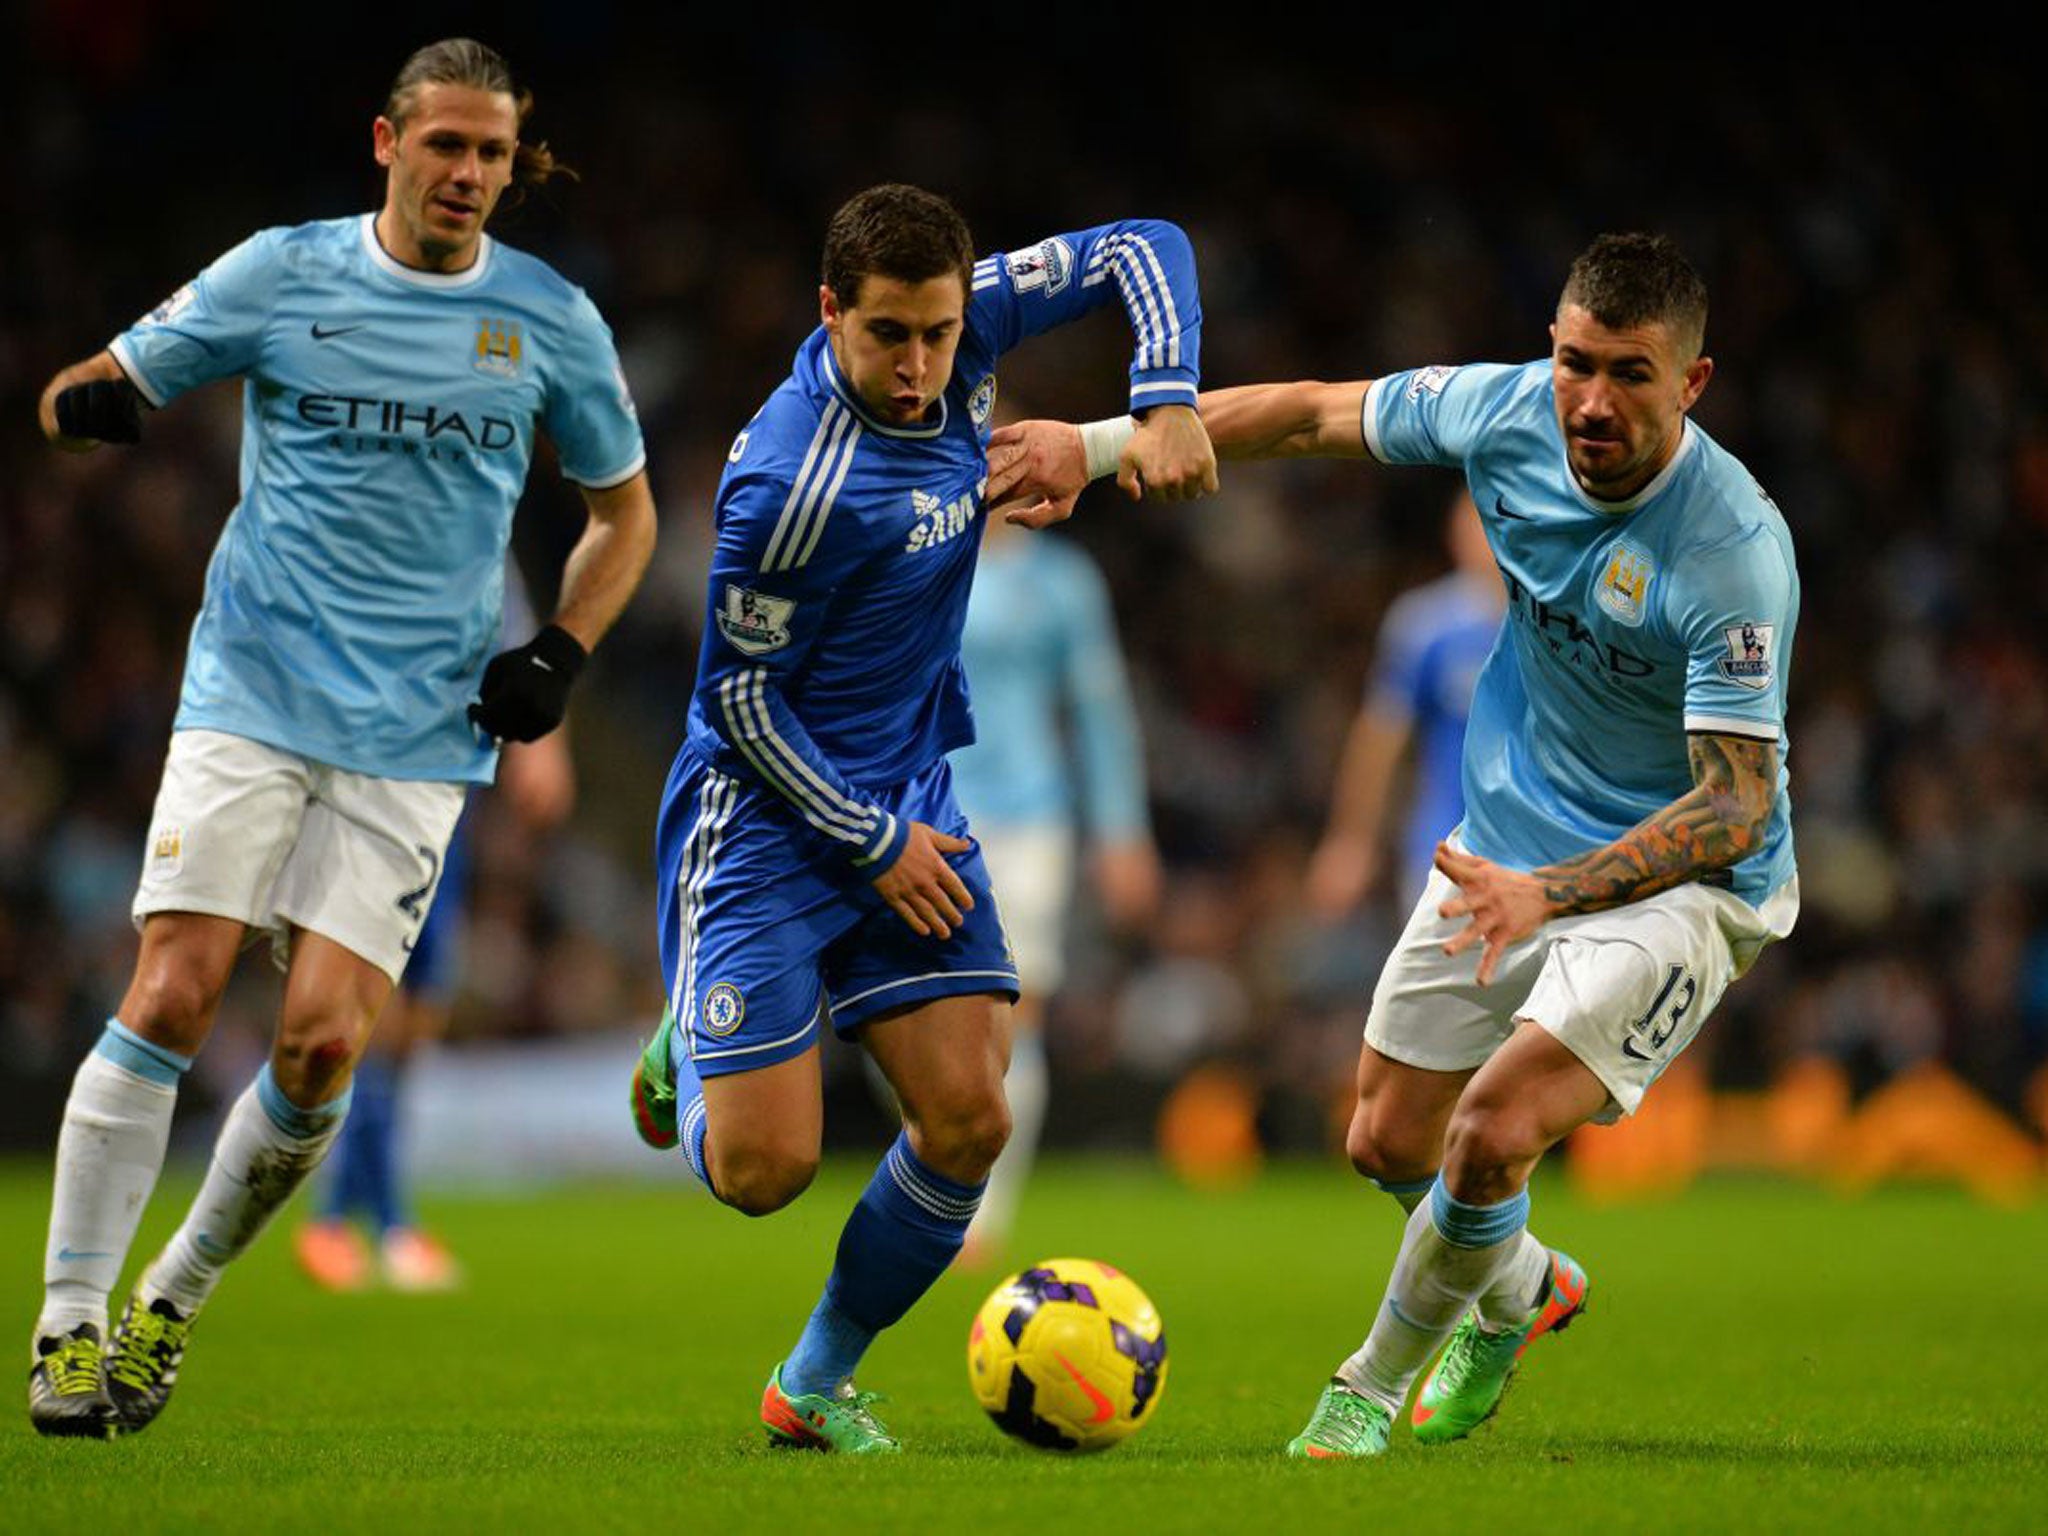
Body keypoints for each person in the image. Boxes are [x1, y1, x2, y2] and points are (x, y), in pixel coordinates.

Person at [991, 232, 1799, 1457]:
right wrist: (1098, 447)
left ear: (1691, 384)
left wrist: (1556, 892)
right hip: (1505, 847)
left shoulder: (1730, 550)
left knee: (1488, 1133)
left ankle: (1364, 1392)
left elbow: (1733, 806)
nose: (1589, 399)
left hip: (1676, 885)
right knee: (1382, 1142)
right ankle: (1524, 1290)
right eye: (1574, 362)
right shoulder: (1504, 410)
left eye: (1629, 375)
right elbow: (1314, 414)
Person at [28, 37, 655, 1437]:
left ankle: (169, 1305)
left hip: (419, 733)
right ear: (388, 143)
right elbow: (94, 380)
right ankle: (68, 1325)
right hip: (251, 690)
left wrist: (558, 651)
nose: (470, 175)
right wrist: (92, 410)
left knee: (320, 1050)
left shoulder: (550, 319)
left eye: (493, 153)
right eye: (446, 146)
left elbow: (627, 516)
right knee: (179, 991)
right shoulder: (282, 271)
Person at [628, 183, 1215, 1453]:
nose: (917, 367)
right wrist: (868, 843)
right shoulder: (787, 483)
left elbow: (1139, 246)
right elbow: (732, 699)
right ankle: (690, 1027)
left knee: (971, 1121)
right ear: (829, 310)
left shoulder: (972, 330)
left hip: (910, 796)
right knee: (760, 1174)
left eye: (938, 335)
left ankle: (814, 1382)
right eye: (886, 334)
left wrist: (1161, 396)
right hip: (770, 824)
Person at [948, 510, 1162, 1261]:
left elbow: (1099, 709)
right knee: (912, 1014)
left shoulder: (1063, 580)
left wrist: (1122, 826)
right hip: (922, 810)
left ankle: (980, 1213)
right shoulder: (918, 555)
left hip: (1031, 816)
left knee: (1014, 1009)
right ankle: (935, 1157)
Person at [1306, 489, 1502, 919]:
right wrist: (1351, 840)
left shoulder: (1560, 625)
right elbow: (1380, 736)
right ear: (1455, 535)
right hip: (1443, 848)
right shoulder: (1426, 624)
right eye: (1475, 523)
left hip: (1542, 850)